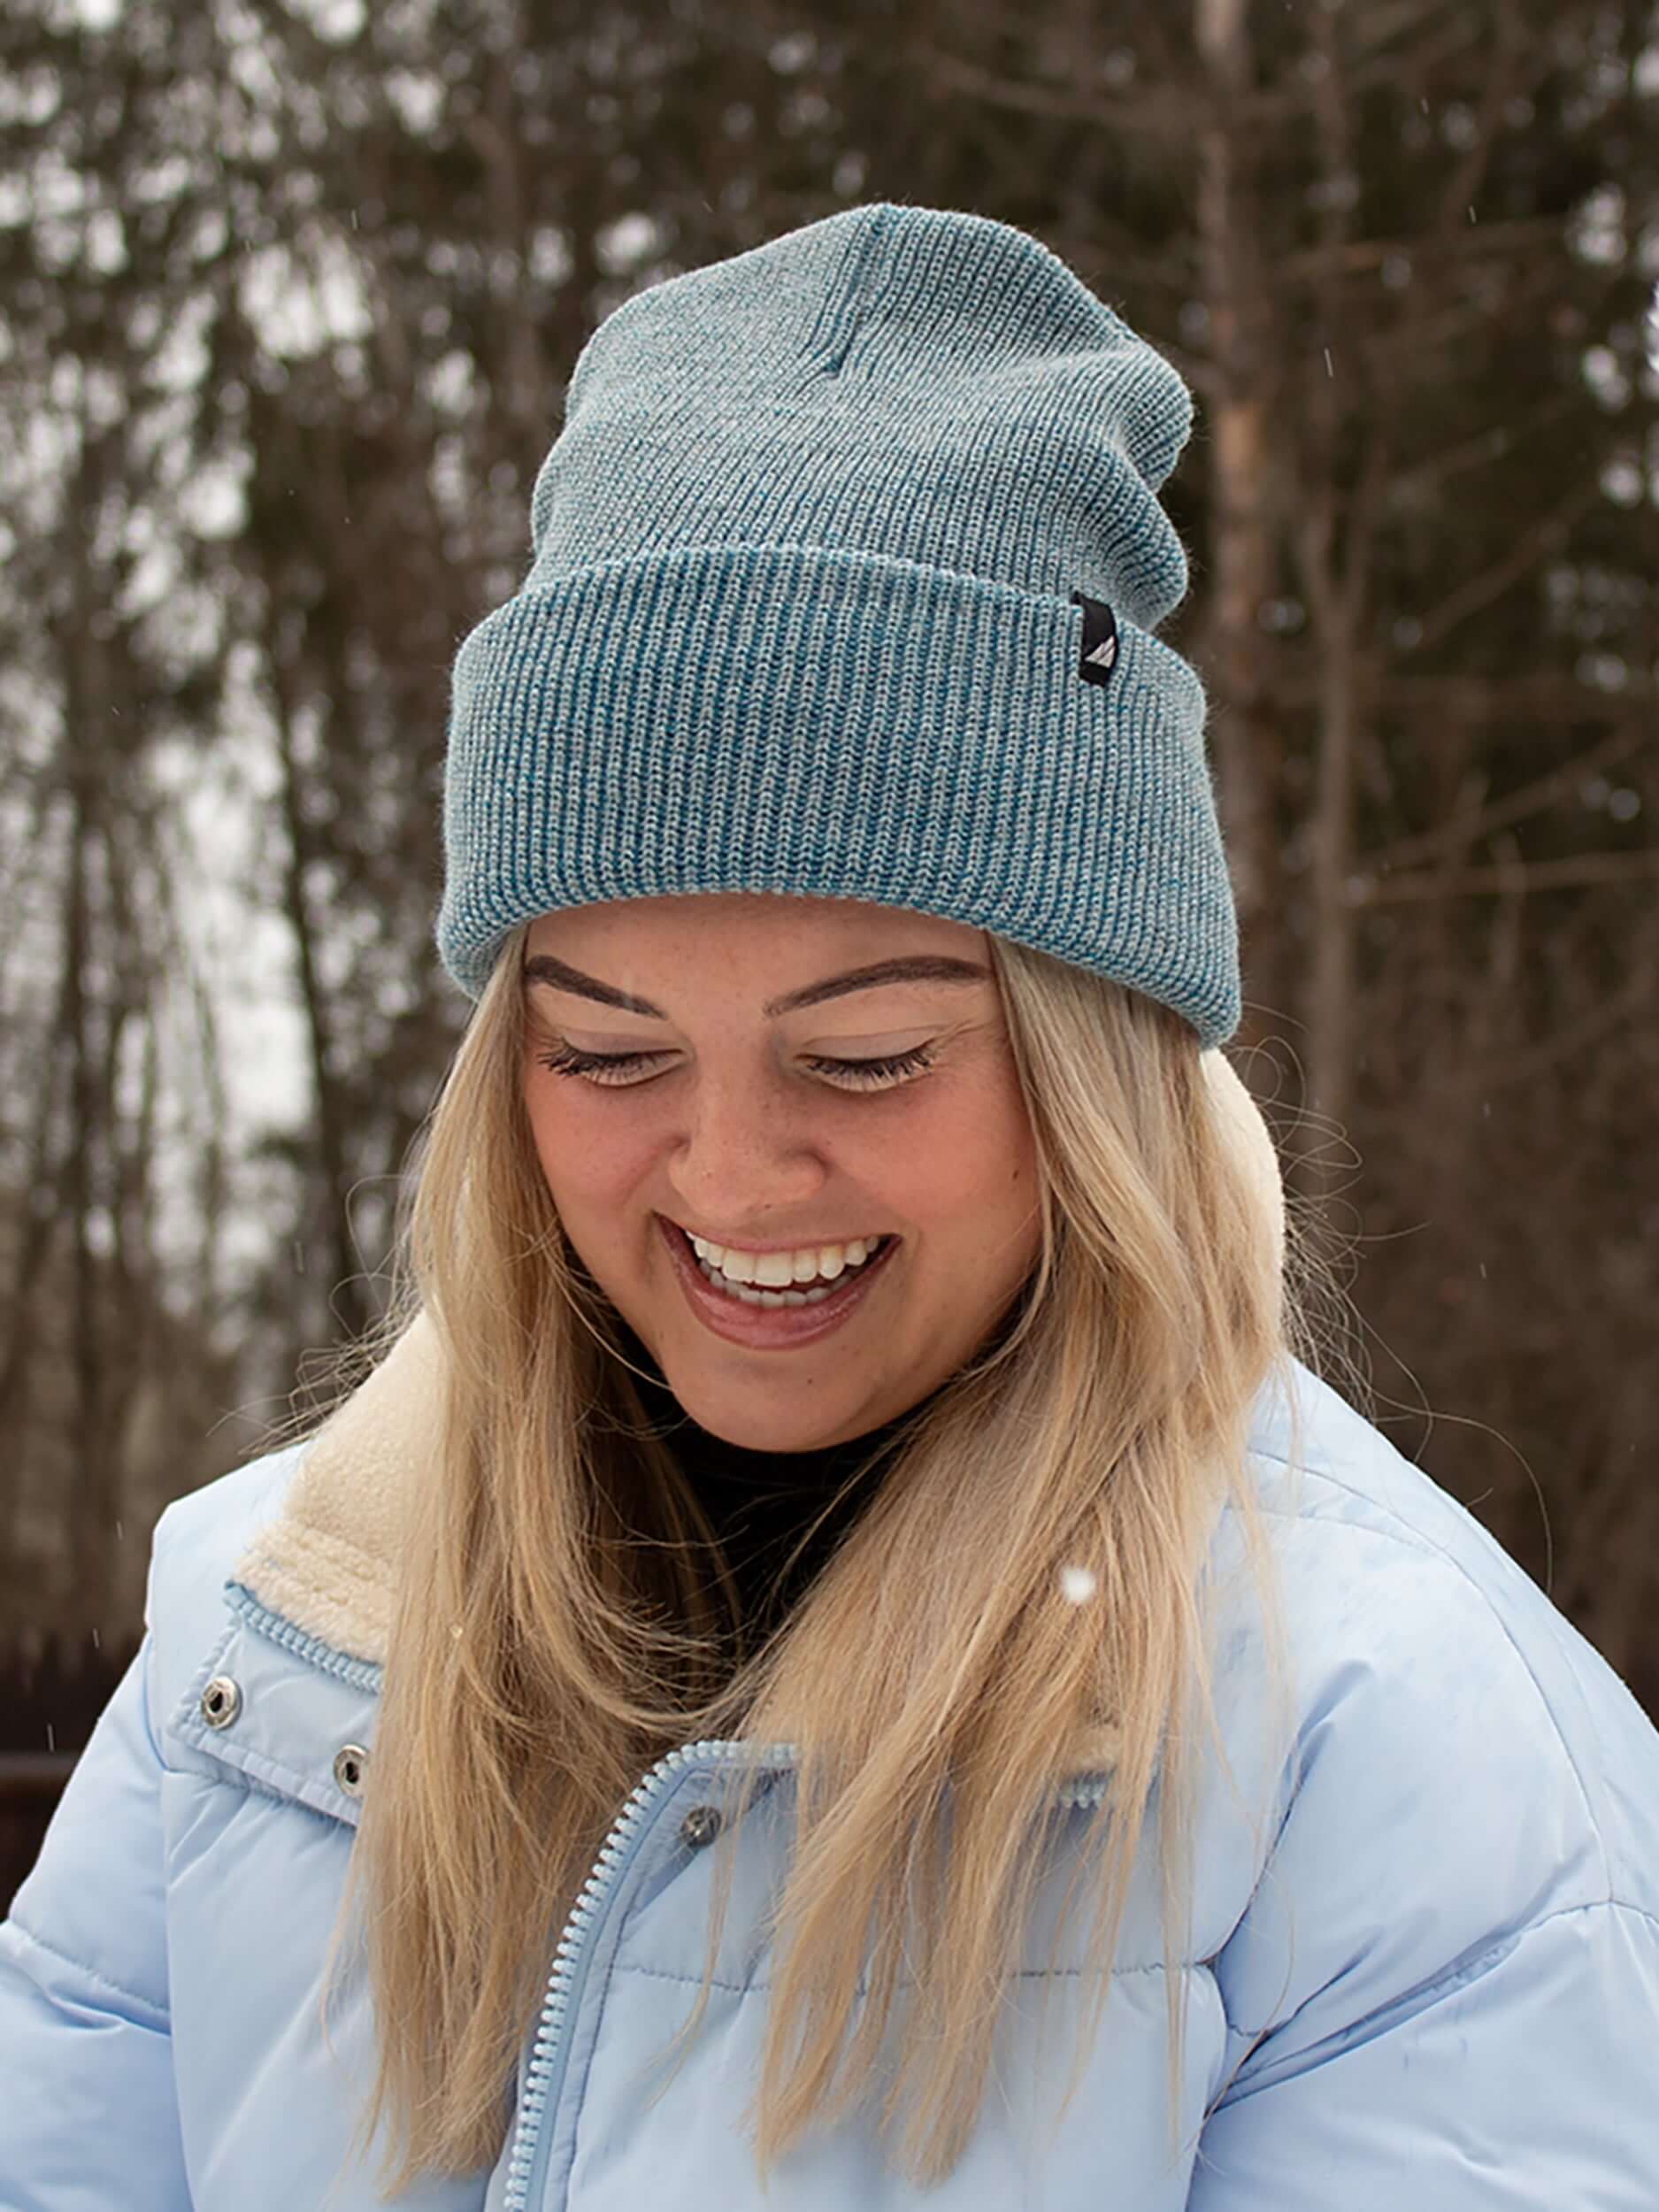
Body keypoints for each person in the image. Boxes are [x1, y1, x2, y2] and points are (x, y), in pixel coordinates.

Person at [2, 200, 1656, 2212]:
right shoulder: (265, 1649)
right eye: (603, 1051)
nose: (724, 1175)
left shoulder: (1380, 1756)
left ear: (1088, 1061)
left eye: (865, 1055)